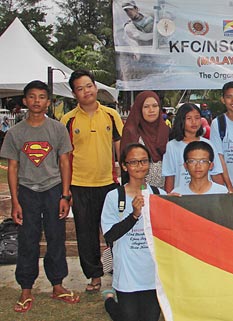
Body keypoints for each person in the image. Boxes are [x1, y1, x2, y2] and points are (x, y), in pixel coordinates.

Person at [2, 81, 79, 313]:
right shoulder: (15, 133)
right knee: (28, 239)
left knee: (56, 238)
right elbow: (13, 168)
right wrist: (15, 201)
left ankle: (58, 285)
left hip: (53, 190)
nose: (37, 101)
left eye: (42, 96)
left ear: (48, 101)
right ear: (25, 101)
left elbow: (65, 162)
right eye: (32, 97)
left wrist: (65, 195)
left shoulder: (57, 129)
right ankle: (26, 288)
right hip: (27, 192)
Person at [61, 69, 124, 293]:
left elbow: (120, 149)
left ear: (96, 87)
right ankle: (95, 276)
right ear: (74, 93)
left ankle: (121, 275)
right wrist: (66, 192)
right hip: (80, 186)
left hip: (108, 184)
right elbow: (65, 159)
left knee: (115, 233)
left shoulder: (111, 115)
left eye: (89, 86)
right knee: (86, 234)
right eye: (80, 88)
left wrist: (124, 181)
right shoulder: (67, 120)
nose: (86, 91)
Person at [101, 143, 163, 321]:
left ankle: (110, 300)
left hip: (152, 274)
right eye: (133, 162)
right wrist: (134, 215)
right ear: (124, 166)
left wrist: (175, 205)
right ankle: (110, 302)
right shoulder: (114, 197)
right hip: (127, 275)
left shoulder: (159, 194)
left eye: (144, 161)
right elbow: (110, 235)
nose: (139, 166)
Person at [162, 103, 223, 193]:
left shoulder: (208, 144)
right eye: (189, 118)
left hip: (206, 197)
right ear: (181, 120)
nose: (194, 122)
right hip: (182, 197)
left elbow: (216, 174)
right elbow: (170, 177)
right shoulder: (172, 146)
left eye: (197, 118)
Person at [120, 91, 169, 188]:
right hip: (139, 190)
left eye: (155, 106)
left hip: (164, 190)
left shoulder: (166, 131)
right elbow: (126, 163)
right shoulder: (131, 131)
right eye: (146, 107)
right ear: (139, 109)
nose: (151, 110)